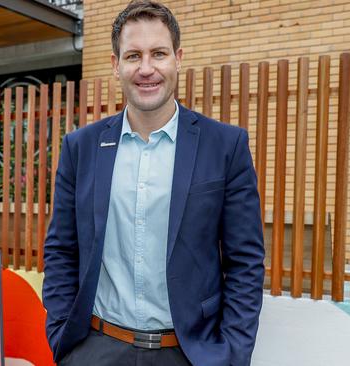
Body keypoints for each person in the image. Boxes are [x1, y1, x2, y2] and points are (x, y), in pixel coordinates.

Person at [42, 1, 265, 365]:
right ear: (116, 65)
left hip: (189, 353)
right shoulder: (80, 148)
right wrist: (62, 337)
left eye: (158, 54)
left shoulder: (225, 146)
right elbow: (62, 251)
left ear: (178, 58)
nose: (146, 69)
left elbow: (245, 263)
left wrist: (230, 354)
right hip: (96, 349)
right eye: (133, 56)